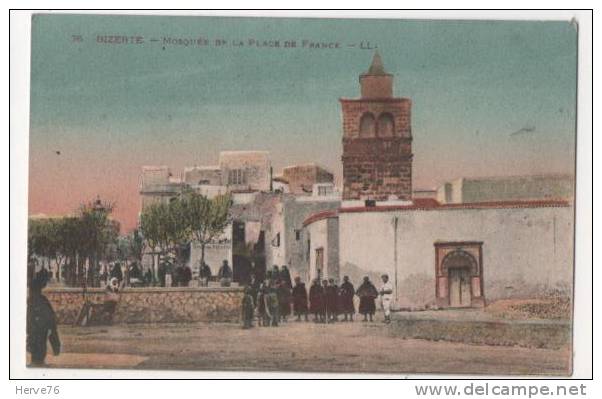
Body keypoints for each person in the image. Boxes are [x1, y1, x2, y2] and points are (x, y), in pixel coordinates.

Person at [27, 275, 60, 366]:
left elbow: (49, 315)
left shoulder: (36, 300)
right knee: (39, 343)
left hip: (40, 326)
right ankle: (38, 361)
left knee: (38, 343)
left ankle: (38, 361)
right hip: (40, 326)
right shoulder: (37, 300)